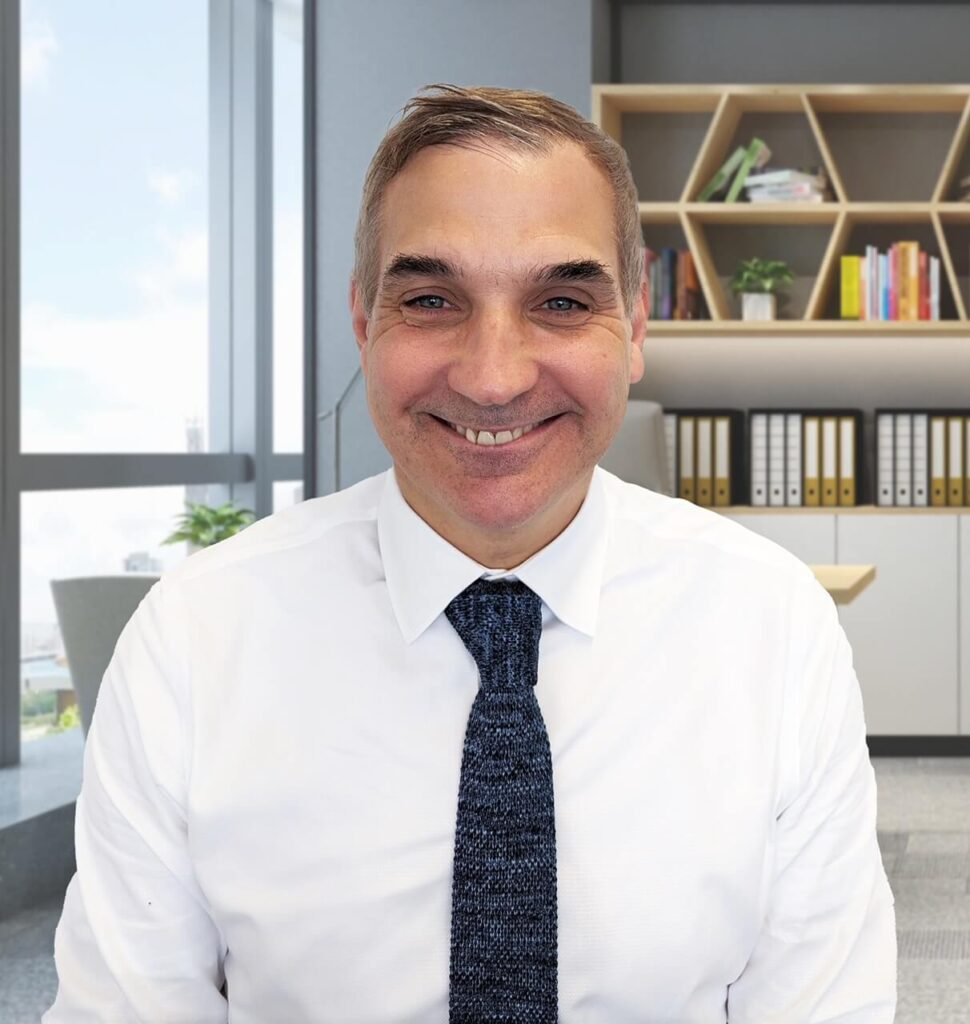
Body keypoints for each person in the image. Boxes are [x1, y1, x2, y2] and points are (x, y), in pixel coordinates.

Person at [44, 84, 897, 1022]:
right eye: (431, 300)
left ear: (635, 329)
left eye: (562, 301)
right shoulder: (195, 639)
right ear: (365, 323)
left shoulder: (772, 628)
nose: (494, 378)